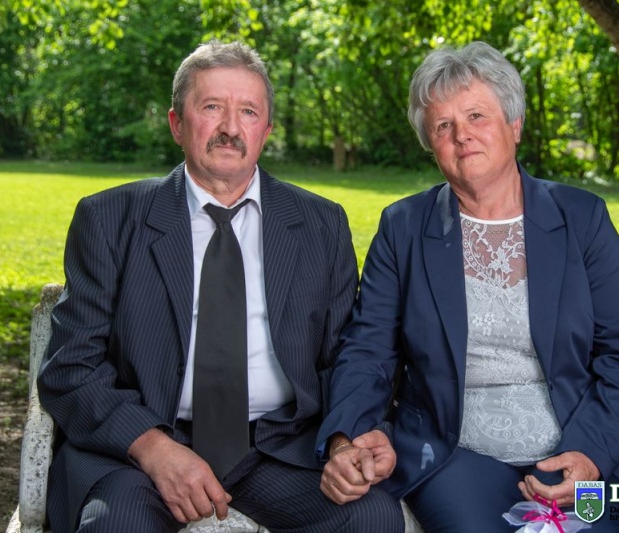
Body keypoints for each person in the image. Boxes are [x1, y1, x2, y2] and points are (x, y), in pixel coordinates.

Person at [37, 40, 404, 533]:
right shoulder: (109, 219)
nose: (231, 127)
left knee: (371, 518)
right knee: (117, 524)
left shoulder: (321, 225)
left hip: (279, 447)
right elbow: (71, 368)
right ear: (176, 123)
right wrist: (152, 447)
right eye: (212, 107)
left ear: (266, 131)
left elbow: (345, 357)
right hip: (143, 447)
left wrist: (345, 439)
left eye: (248, 112)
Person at [316, 41, 619, 532]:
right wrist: (346, 438)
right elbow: (368, 349)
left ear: (514, 125)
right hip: (454, 451)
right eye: (443, 126)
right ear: (430, 144)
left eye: (476, 116)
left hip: (581, 439)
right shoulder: (403, 227)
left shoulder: (583, 217)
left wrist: (591, 453)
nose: (461, 135)